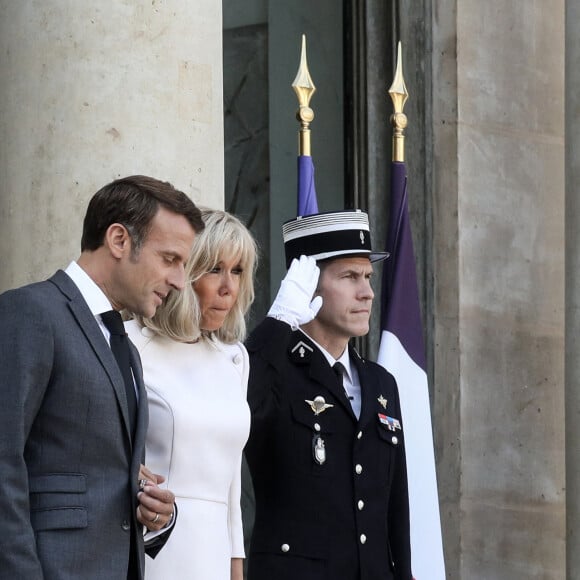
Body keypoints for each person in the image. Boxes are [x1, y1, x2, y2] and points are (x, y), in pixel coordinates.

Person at [0, 175, 204, 580]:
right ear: (118, 240)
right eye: (170, 259)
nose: (181, 282)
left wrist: (152, 516)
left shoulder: (123, 345)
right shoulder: (30, 312)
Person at [244, 209, 413, 580]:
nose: (367, 292)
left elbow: (395, 508)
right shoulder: (273, 372)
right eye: (350, 277)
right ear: (307, 285)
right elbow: (236, 403)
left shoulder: (381, 383)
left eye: (368, 276)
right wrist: (279, 323)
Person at [125, 208, 258, 580]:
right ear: (186, 272)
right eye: (215, 269)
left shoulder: (234, 359)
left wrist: (236, 567)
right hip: (155, 546)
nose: (228, 287)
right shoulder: (131, 345)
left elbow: (232, 486)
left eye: (237, 271)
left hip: (215, 550)